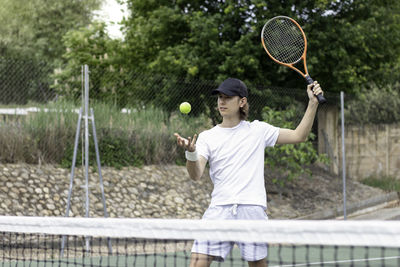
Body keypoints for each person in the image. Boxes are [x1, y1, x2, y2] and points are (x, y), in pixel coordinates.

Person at [174, 78, 324, 267]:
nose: (222, 101)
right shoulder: (207, 137)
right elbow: (195, 175)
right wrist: (191, 153)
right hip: (219, 211)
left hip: (252, 210)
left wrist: (312, 103)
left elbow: (298, 135)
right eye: (220, 97)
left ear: (242, 102)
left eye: (227, 97)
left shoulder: (258, 130)